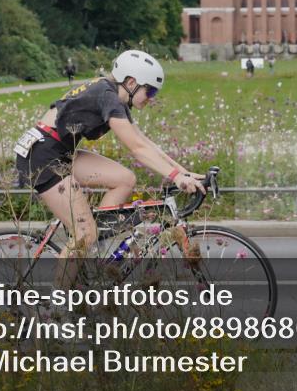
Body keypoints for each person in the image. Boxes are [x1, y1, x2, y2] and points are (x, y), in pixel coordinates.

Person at [14, 50, 206, 273]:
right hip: (42, 154)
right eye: (150, 90)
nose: (151, 97)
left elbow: (145, 142)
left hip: (58, 149)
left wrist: (183, 172)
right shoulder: (108, 97)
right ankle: (59, 304)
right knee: (84, 233)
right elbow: (137, 149)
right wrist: (176, 178)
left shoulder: (115, 97)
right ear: (131, 82)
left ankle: (93, 248)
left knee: (125, 178)